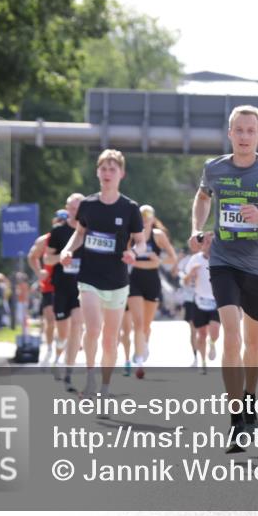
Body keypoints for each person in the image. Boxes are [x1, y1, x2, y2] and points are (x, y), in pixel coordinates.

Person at [188, 105, 258, 452]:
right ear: (229, 134)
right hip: (225, 260)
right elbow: (202, 198)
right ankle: (235, 420)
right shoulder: (214, 168)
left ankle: (250, 399)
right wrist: (198, 228)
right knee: (231, 336)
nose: (244, 136)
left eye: (250, 130)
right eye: (238, 130)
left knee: (254, 342)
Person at [59, 149, 145, 402]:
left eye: (112, 169)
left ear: (121, 174)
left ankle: (106, 385)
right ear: (97, 172)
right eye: (103, 169)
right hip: (89, 277)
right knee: (93, 328)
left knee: (110, 339)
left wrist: (134, 254)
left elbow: (140, 242)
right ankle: (90, 378)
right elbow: (80, 233)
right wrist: (67, 250)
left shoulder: (129, 208)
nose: (107, 174)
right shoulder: (87, 204)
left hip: (117, 281)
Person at [127, 204, 178, 379]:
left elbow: (173, 258)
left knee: (147, 325)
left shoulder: (158, 236)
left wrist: (159, 262)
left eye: (147, 215)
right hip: (134, 281)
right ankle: (139, 360)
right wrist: (142, 262)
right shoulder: (132, 235)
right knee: (138, 323)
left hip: (152, 282)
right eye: (141, 215)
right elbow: (125, 257)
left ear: (152, 218)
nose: (144, 218)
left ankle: (143, 346)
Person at [43, 198, 86, 392]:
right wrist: (62, 257)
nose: (75, 211)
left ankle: (69, 371)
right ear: (67, 209)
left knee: (77, 323)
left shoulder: (88, 232)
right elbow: (47, 259)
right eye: (72, 207)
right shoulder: (58, 232)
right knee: (63, 333)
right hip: (61, 287)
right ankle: (58, 356)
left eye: (79, 208)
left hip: (82, 287)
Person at [180, 238, 220, 375]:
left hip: (217, 300)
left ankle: (213, 344)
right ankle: (203, 362)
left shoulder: (220, 258)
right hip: (199, 300)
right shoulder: (195, 259)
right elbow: (185, 282)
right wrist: (191, 274)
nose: (207, 245)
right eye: (205, 242)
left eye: (210, 242)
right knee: (201, 334)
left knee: (214, 331)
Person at [28, 217, 64, 365]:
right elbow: (32, 256)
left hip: (67, 284)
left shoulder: (73, 236)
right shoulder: (45, 239)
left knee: (64, 321)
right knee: (50, 319)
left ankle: (61, 349)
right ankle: (49, 349)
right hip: (49, 284)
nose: (60, 224)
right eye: (58, 221)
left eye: (63, 221)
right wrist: (39, 272)